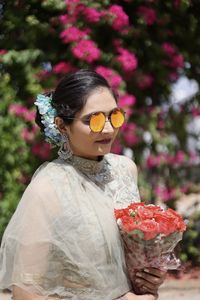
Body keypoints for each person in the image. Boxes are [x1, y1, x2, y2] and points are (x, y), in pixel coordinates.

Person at [0, 69, 166, 300]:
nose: (108, 128)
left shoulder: (125, 170)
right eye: (93, 120)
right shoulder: (48, 188)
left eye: (114, 116)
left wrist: (148, 279)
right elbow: (24, 295)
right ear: (61, 125)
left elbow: (121, 267)